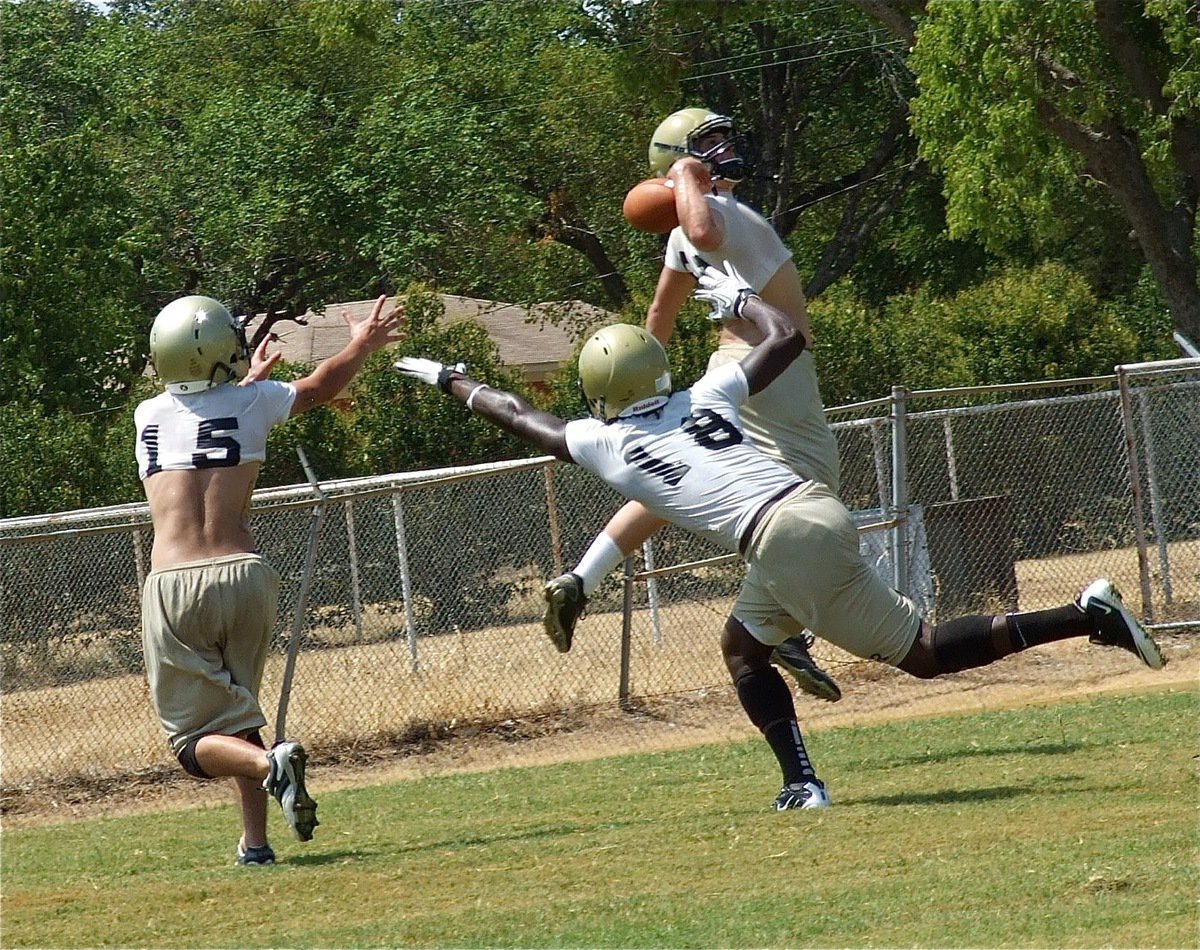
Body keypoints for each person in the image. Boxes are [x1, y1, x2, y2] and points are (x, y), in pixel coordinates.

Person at [395, 264, 1166, 811]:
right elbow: (786, 337)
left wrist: (450, 378)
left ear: (603, 394)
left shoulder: (608, 445)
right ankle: (802, 767)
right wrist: (738, 298)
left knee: (925, 654)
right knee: (741, 646)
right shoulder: (705, 393)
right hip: (809, 507)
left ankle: (1082, 616)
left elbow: (518, 417)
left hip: (779, 539)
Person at [542, 106, 842, 703]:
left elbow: (661, 314)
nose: (727, 148)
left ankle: (583, 576)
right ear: (678, 162)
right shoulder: (716, 214)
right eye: (710, 143)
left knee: (676, 477)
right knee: (813, 495)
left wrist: (653, 373)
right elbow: (704, 233)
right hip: (771, 371)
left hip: (729, 366)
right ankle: (780, 623)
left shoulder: (684, 231)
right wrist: (686, 178)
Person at [136, 292, 404, 863]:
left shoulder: (147, 414)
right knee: (240, 715)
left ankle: (269, 764)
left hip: (174, 579)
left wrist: (242, 389)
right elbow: (322, 386)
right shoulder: (254, 400)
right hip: (246, 575)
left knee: (190, 743)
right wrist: (361, 342)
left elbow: (198, 422)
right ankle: (255, 843)